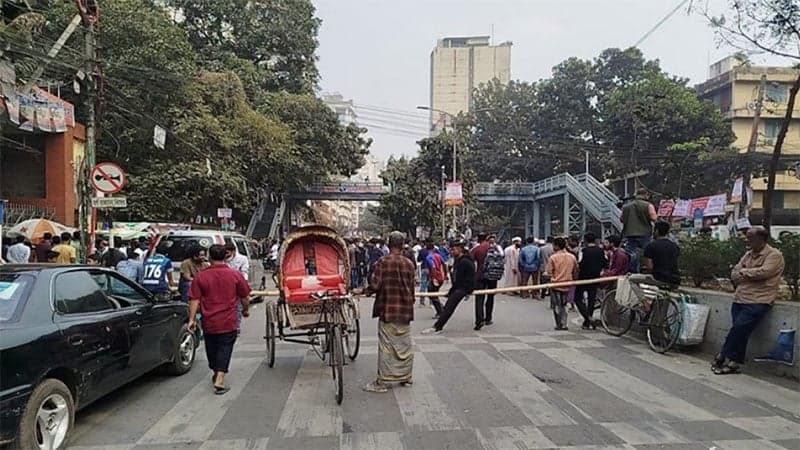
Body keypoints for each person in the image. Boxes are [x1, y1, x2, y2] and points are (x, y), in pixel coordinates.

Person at [712, 227, 785, 375]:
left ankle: (723, 355)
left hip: (759, 299)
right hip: (741, 297)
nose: (748, 241)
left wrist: (744, 272)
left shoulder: (774, 255)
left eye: (751, 238)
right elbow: (734, 273)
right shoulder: (748, 255)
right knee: (740, 331)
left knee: (739, 327)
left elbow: (764, 272)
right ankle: (733, 363)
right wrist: (743, 273)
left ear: (762, 239)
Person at [188, 244, 251, 394]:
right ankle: (220, 378)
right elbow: (245, 296)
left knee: (212, 348)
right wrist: (246, 310)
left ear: (210, 257)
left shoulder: (201, 276)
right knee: (225, 348)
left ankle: (218, 374)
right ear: (226, 257)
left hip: (209, 320)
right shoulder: (235, 275)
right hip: (228, 320)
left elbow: (194, 299)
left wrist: (191, 319)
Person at [363, 231, 416, 393]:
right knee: (404, 345)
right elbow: (412, 288)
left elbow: (375, 285)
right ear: (402, 245)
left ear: (388, 244)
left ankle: (383, 382)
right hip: (405, 309)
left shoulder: (383, 262)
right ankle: (406, 376)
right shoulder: (409, 264)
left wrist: (365, 291)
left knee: (387, 346)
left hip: (388, 309)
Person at [422, 239, 475, 334]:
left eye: (453, 249)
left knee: (449, 306)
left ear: (459, 249)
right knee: (448, 306)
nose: (451, 252)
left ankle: (437, 327)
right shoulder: (459, 260)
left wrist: (452, 292)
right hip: (461, 286)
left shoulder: (465, 261)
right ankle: (438, 325)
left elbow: (460, 280)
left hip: (464, 287)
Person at [471, 233, 504, 330]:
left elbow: (471, 261)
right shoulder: (495, 248)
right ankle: (488, 318)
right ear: (486, 238)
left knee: (479, 298)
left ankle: (479, 320)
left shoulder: (477, 249)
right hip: (493, 275)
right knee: (490, 297)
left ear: (478, 239)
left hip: (480, 276)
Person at [574, 233, 607, 330]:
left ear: (586, 240)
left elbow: (581, 264)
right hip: (595, 278)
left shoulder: (584, 251)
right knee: (591, 299)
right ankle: (588, 320)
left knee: (577, 298)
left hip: (583, 278)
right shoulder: (601, 251)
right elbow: (605, 263)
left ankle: (587, 318)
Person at [620, 188, 658, 272]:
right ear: (645, 195)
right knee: (648, 253)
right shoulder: (649, 205)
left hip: (630, 234)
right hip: (645, 234)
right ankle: (650, 270)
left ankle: (633, 271)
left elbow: (622, 220)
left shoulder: (626, 206)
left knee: (631, 254)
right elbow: (654, 218)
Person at [545, 237, 578, 330]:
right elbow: (575, 271)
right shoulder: (572, 257)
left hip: (556, 284)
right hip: (568, 283)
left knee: (557, 305)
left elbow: (549, 272)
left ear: (556, 246)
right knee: (565, 304)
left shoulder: (553, 257)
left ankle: (558, 324)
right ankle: (564, 323)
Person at [642, 221, 681, 286]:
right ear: (668, 232)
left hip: (659, 279)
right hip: (675, 280)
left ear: (656, 231)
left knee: (632, 279)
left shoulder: (651, 246)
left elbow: (649, 267)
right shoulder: (675, 246)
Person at [224, 243, 250, 333]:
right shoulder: (223, 259)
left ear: (233, 251)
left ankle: (236, 328)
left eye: (227, 253)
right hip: (224, 287)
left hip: (237, 285)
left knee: (238, 307)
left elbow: (244, 272)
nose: (226, 255)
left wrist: (243, 285)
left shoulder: (242, 259)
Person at [425, 241, 448, 318]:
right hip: (440, 277)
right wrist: (445, 274)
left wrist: (433, 278)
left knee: (432, 295)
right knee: (435, 294)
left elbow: (433, 267)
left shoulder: (429, 257)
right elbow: (444, 264)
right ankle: (441, 308)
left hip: (435, 278)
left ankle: (440, 311)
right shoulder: (438, 256)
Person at [416, 240, 432, 307]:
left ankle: (422, 302)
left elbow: (418, 259)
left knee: (423, 285)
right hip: (431, 269)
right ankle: (432, 302)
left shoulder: (422, 251)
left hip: (424, 268)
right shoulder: (434, 251)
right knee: (431, 286)